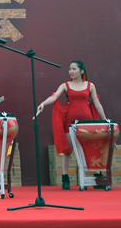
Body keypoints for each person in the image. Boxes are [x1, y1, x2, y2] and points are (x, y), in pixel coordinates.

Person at [36, 61, 107, 190]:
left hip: (87, 122)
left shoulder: (90, 85)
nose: (71, 71)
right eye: (69, 69)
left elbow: (97, 103)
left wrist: (105, 120)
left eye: (74, 69)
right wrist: (43, 104)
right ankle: (65, 178)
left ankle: (97, 175)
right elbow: (54, 97)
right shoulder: (65, 85)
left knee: (90, 149)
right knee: (68, 151)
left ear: (82, 71)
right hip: (70, 121)